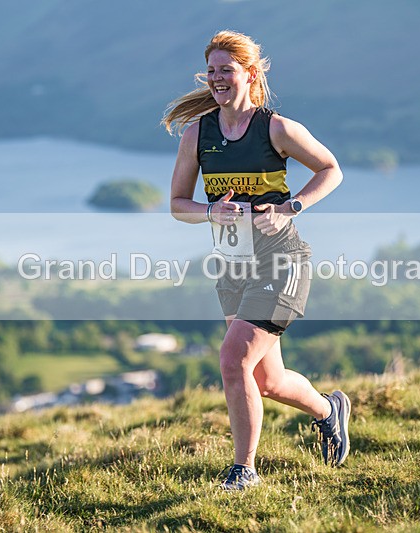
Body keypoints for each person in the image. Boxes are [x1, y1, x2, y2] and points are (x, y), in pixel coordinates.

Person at [163, 30, 350, 490]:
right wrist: (211, 210)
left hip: (281, 260)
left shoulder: (276, 129)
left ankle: (244, 470)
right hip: (232, 265)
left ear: (250, 73)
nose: (216, 79)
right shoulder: (197, 134)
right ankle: (331, 410)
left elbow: (331, 169)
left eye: (225, 70)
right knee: (267, 379)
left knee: (232, 360)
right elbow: (177, 204)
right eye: (211, 71)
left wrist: (292, 207)